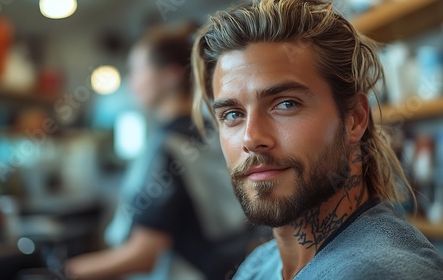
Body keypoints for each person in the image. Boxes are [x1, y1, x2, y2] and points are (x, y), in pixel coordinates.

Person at [190, 0, 443, 279]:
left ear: (356, 119)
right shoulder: (261, 264)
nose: (251, 138)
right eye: (232, 114)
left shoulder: (375, 272)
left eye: (286, 104)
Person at [65, 23, 265, 280]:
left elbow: (144, 255)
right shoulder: (213, 133)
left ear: (170, 75)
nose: (131, 81)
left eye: (137, 69)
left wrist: (65, 272)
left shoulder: (168, 147)